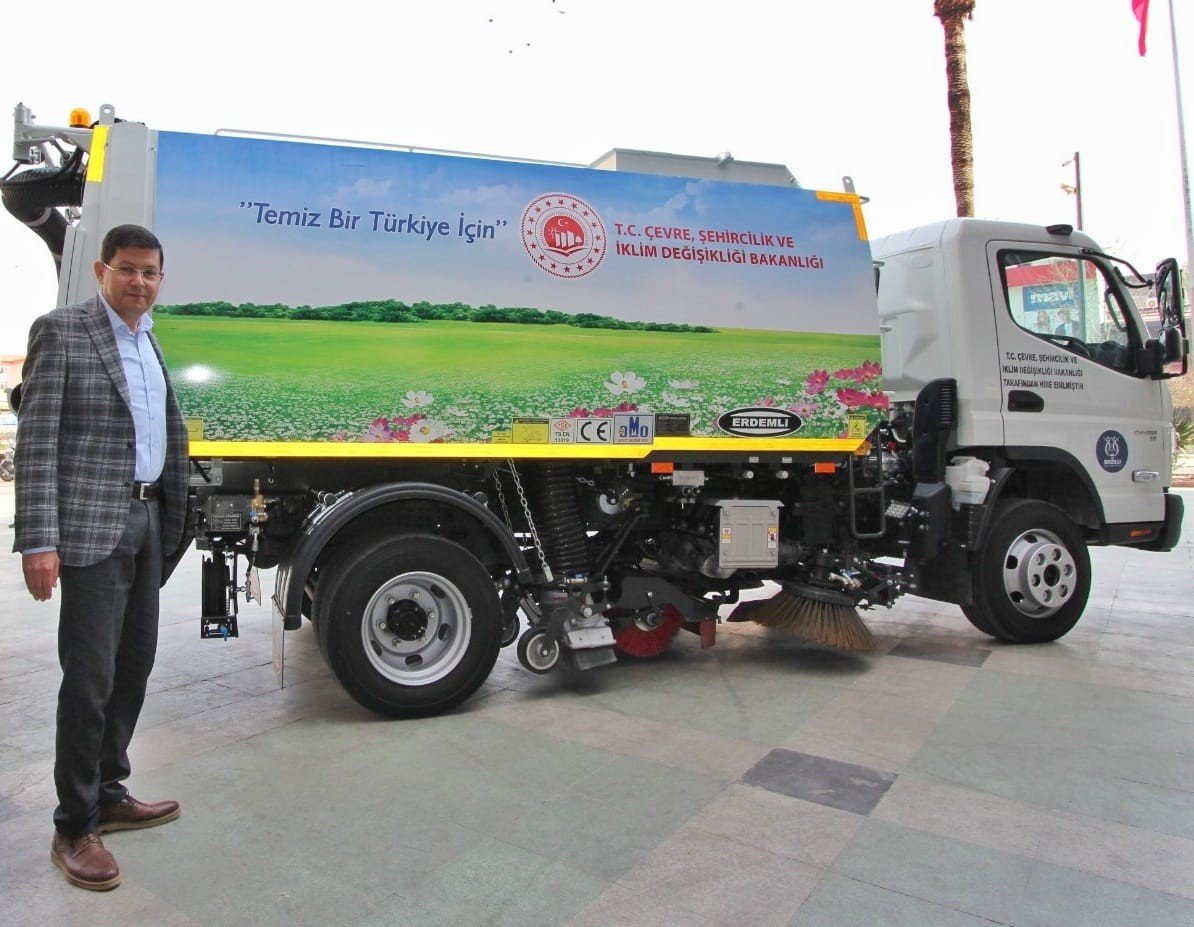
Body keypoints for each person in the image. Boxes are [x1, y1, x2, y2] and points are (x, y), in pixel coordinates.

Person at [13, 224, 190, 892]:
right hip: (90, 525)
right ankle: (73, 823)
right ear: (101, 270)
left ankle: (110, 789)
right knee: (87, 679)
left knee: (133, 666)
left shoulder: (149, 341)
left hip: (146, 517)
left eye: (150, 271)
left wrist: (170, 518)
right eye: (127, 269)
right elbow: (36, 441)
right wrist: (38, 538)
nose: (139, 281)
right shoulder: (63, 332)